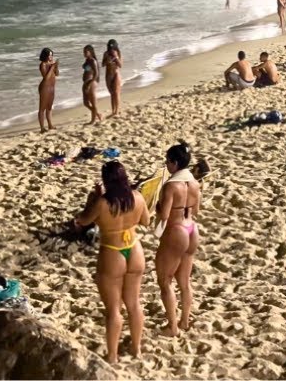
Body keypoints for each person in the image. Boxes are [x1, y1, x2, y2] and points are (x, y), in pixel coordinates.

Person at [74, 161, 151, 363]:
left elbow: (82, 220)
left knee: (114, 310)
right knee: (134, 304)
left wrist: (93, 199)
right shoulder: (137, 197)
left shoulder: (102, 203)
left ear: (106, 181)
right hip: (134, 248)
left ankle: (113, 356)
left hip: (112, 251)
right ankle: (136, 350)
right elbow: (146, 222)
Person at [155, 143, 202, 336]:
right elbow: (197, 210)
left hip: (176, 230)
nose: (166, 165)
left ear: (174, 163)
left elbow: (164, 214)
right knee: (184, 282)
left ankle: (172, 327)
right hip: (192, 228)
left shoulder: (170, 186)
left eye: (167, 161)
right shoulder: (195, 183)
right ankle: (184, 321)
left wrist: (155, 207)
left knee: (165, 281)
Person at [38, 49, 59, 132]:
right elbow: (46, 78)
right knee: (42, 108)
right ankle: (42, 128)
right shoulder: (42, 64)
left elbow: (57, 74)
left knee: (49, 107)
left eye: (52, 55)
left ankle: (50, 125)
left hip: (52, 87)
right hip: (45, 87)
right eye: (49, 55)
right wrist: (52, 67)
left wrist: (56, 67)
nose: (51, 57)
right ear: (45, 56)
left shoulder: (51, 64)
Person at [82, 45, 103, 124]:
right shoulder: (87, 60)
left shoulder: (93, 61)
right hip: (86, 82)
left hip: (91, 82)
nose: (84, 53)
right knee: (86, 103)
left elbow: (96, 74)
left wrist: (90, 84)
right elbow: (87, 69)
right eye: (83, 52)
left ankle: (93, 120)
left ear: (90, 52)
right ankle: (97, 114)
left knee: (93, 103)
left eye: (85, 52)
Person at [103, 40, 122, 117]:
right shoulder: (106, 53)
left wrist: (116, 57)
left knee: (116, 93)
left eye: (113, 47)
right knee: (112, 93)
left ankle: (116, 111)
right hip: (108, 75)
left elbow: (120, 65)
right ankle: (113, 110)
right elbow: (103, 64)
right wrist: (107, 60)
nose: (111, 49)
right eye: (110, 48)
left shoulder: (118, 53)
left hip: (116, 74)